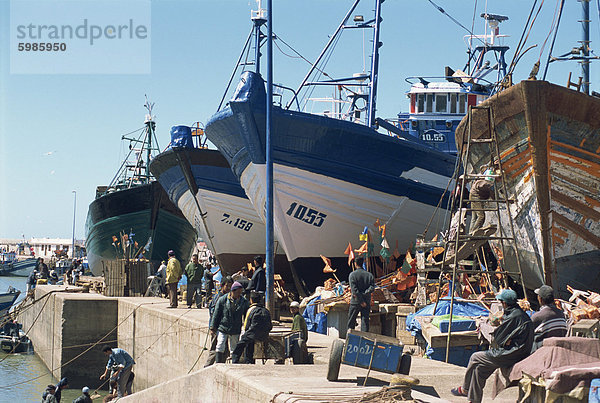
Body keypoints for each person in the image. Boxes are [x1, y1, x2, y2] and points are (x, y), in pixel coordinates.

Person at [452, 289, 533, 403]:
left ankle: (465, 389)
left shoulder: (513, 317)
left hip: (511, 354)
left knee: (475, 357)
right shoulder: (518, 314)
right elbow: (506, 337)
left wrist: (495, 324)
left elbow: (497, 339)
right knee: (479, 370)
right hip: (516, 351)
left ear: (504, 303)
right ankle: (473, 400)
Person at [209, 281, 250, 363]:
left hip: (235, 328)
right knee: (220, 344)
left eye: (240, 292)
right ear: (232, 291)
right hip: (223, 327)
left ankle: (234, 363)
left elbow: (247, 315)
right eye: (237, 292)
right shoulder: (222, 300)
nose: (239, 294)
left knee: (234, 348)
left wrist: (247, 327)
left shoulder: (244, 302)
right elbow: (216, 314)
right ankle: (218, 363)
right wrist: (213, 327)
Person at [231, 292, 272, 364]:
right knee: (250, 338)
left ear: (251, 300)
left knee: (243, 343)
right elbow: (270, 326)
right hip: (264, 335)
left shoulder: (251, 309)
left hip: (253, 334)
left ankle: (237, 361)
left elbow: (246, 326)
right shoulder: (266, 310)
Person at [205, 276, 234, 367]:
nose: (229, 288)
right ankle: (207, 366)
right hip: (217, 328)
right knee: (215, 349)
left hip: (224, 328)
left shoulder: (229, 297)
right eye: (227, 286)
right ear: (222, 286)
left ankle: (220, 366)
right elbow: (213, 313)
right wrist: (214, 327)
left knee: (224, 350)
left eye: (231, 286)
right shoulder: (219, 298)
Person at [531, 285, 567, 352]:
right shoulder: (561, 313)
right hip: (560, 348)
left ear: (540, 299)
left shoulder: (536, 317)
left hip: (545, 350)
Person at [347, 257, 375, 332]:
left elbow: (354, 291)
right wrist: (365, 295)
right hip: (366, 301)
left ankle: (350, 339)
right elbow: (372, 287)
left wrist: (361, 301)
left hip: (355, 302)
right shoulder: (369, 275)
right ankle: (364, 339)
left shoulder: (352, 275)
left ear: (355, 264)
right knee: (365, 322)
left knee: (351, 322)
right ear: (363, 263)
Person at [468, 166, 496, 235]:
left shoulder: (483, 180)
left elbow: (492, 196)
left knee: (474, 217)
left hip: (473, 195)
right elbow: (489, 193)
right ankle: (474, 232)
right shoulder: (485, 183)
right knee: (481, 216)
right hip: (475, 197)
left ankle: (471, 232)